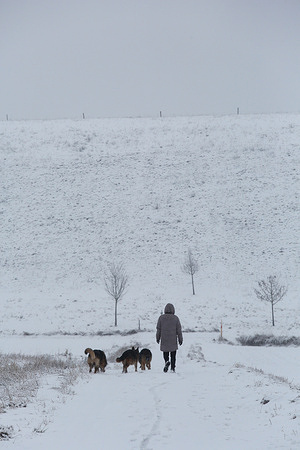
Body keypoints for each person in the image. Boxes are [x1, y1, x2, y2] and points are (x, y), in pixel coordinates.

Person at [156, 303, 183, 373]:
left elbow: (158, 329)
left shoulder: (161, 318)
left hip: (164, 339)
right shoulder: (176, 318)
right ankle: (173, 368)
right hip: (173, 339)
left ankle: (166, 361)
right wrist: (180, 339)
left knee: (165, 352)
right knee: (173, 354)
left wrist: (157, 338)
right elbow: (179, 330)